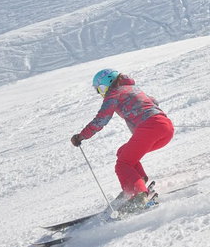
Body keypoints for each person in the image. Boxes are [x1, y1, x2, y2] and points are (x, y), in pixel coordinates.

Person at [70, 69, 174, 212]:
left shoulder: (114, 93)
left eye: (99, 89)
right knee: (123, 152)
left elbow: (102, 118)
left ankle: (139, 195)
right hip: (165, 128)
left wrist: (81, 136)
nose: (100, 93)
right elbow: (153, 101)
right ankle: (138, 182)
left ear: (106, 84)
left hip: (150, 128)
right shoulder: (133, 88)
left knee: (123, 164)